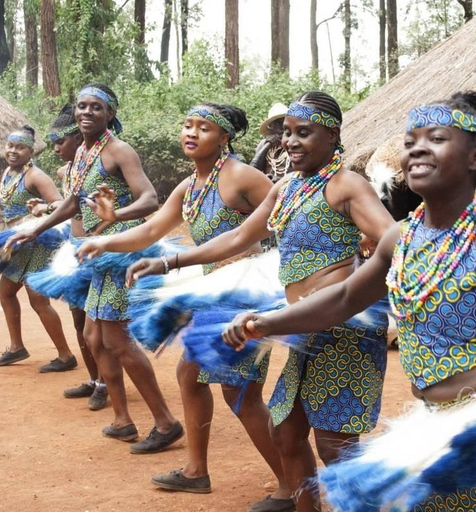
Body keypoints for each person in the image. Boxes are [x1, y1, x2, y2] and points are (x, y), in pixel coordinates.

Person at [220, 91, 476, 511]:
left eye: (437, 138)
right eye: (411, 141)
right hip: (433, 432)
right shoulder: (401, 239)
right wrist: (267, 322)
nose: (417, 148)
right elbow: (343, 299)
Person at [127, 91, 395, 512]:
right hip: (301, 329)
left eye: (303, 133)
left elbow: (394, 238)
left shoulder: (347, 185)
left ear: (332, 135)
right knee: (286, 435)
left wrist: (364, 274)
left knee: (334, 448)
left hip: (343, 332)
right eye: (287, 133)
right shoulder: (288, 186)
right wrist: (169, 262)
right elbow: (237, 237)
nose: (290, 142)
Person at [77, 103, 292, 506]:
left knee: (239, 394)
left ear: (224, 137)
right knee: (190, 376)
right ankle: (195, 471)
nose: (191, 133)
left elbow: (293, 212)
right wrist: (105, 234)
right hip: (214, 294)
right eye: (188, 125)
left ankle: (291, 484)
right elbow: (154, 227)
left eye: (204, 128)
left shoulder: (242, 176)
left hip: (243, 297)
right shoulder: (192, 184)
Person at [5, 84, 183, 453]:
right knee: (94, 338)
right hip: (94, 255)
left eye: (96, 107)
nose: (87, 112)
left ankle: (165, 423)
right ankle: (122, 420)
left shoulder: (118, 151)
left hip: (118, 254)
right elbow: (72, 203)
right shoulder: (82, 153)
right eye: (82, 106)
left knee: (117, 340)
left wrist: (116, 215)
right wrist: (32, 231)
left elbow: (149, 198)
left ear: (109, 114)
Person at [26, 104, 108, 409]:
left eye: (61, 142)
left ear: (78, 138)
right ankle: (93, 378)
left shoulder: (102, 165)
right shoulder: (68, 171)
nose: (56, 148)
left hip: (97, 250)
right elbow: (69, 207)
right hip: (75, 249)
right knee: (78, 318)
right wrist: (44, 211)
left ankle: (105, 383)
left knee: (96, 324)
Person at [0, 125, 77, 371]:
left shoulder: (35, 176)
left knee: (38, 300)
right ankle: (16, 348)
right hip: (17, 246)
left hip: (37, 244)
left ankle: (66, 356)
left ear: (30, 152)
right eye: (10, 146)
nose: (13, 151)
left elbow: (60, 204)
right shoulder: (7, 174)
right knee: (5, 292)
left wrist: (38, 215)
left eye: (20, 147)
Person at [250, 103, 289, 183]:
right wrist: (268, 144)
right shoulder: (264, 144)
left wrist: (280, 181)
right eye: (276, 124)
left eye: (283, 123)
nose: (280, 128)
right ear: (271, 127)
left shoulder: (294, 143)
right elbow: (253, 170)